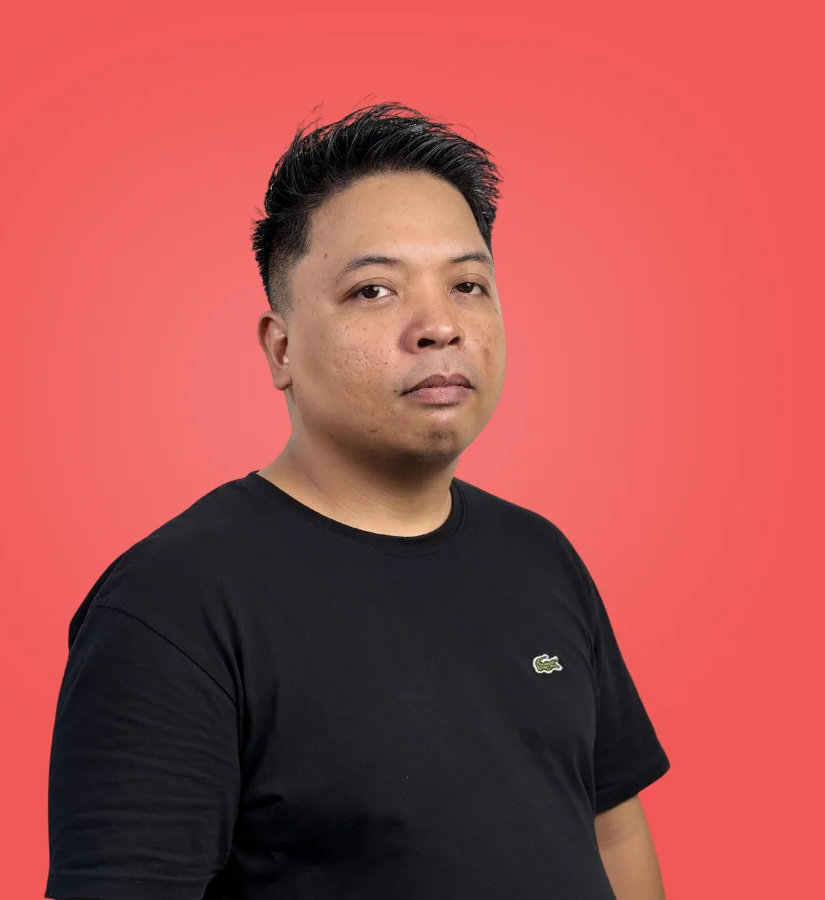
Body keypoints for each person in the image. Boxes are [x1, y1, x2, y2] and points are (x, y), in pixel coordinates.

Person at [45, 102, 670, 900]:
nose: (439, 326)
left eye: (468, 284)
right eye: (374, 290)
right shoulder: (174, 604)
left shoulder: (540, 555)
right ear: (280, 348)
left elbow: (612, 829)